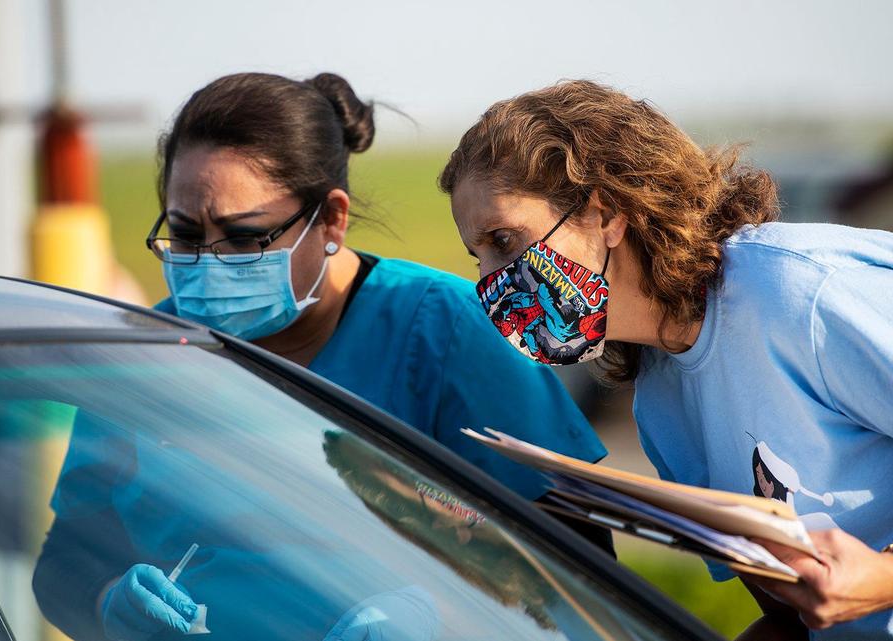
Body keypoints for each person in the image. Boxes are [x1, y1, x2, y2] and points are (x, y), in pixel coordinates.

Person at [440, 79, 893, 640]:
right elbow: (793, 617)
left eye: (506, 241)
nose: (494, 281)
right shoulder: (661, 402)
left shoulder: (802, 293)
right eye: (478, 257)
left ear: (605, 214)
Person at [34, 72, 610, 641]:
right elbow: (64, 561)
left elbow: (581, 569)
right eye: (185, 236)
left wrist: (439, 616)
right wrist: (109, 600)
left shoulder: (448, 331)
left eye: (245, 238)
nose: (209, 265)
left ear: (331, 218)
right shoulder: (142, 357)